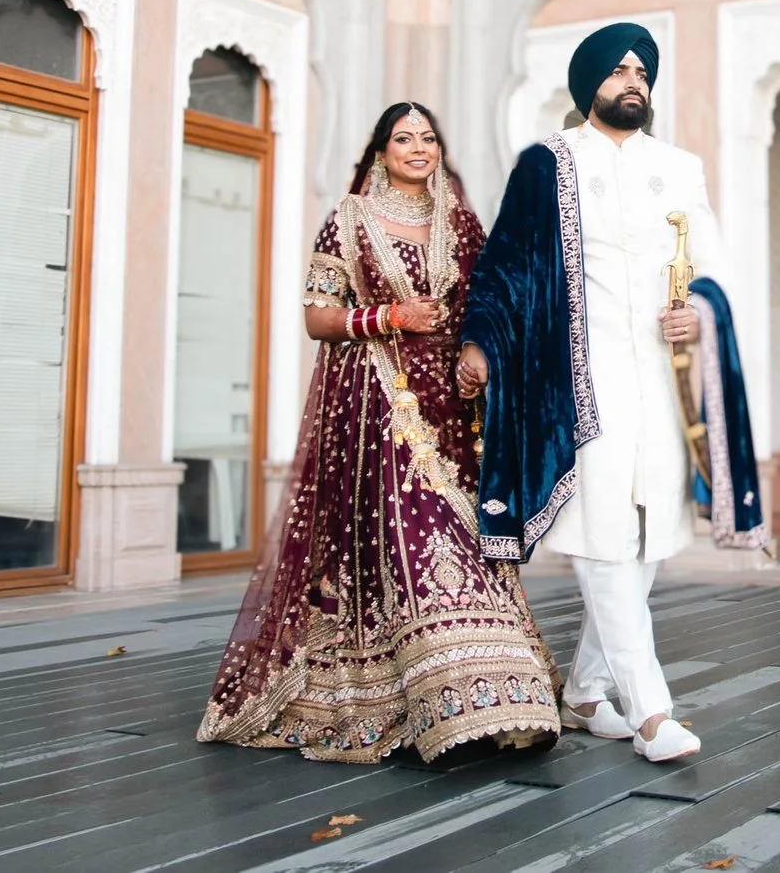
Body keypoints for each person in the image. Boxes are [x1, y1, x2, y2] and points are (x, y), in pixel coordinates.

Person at [197, 103, 561, 762]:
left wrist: (480, 354)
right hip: (380, 406)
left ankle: (503, 694)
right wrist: (389, 316)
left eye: (428, 137)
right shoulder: (349, 218)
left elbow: (488, 302)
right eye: (403, 138)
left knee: (469, 543)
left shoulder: (461, 220)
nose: (418, 148)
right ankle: (453, 699)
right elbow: (318, 318)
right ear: (380, 151)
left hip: (454, 411)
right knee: (415, 540)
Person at [457, 23, 769, 765]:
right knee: (603, 535)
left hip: (661, 380)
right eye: (619, 69)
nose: (633, 81)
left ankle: (584, 691)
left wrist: (700, 310)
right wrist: (480, 338)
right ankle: (652, 711)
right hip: (576, 382)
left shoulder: (680, 168)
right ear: (588, 82)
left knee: (648, 532)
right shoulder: (548, 163)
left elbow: (715, 270)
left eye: (642, 71)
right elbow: (504, 264)